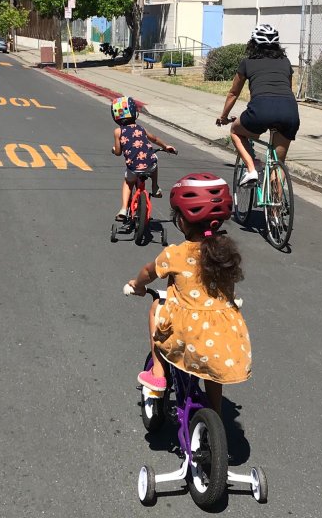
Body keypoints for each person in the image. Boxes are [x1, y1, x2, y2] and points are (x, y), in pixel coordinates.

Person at [125, 173, 251, 415]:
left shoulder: (175, 253)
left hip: (187, 333)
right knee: (212, 372)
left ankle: (159, 373)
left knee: (156, 309)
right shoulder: (226, 253)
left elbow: (147, 272)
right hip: (223, 334)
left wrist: (138, 285)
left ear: (181, 221)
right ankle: (215, 412)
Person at [216, 23, 300, 186]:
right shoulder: (285, 62)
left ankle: (252, 168)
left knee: (235, 131)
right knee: (279, 164)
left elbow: (233, 93)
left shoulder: (247, 62)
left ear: (253, 44)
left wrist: (224, 117)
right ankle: (276, 208)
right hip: (289, 111)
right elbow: (287, 90)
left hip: (261, 110)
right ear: (277, 45)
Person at [110, 95, 176, 222]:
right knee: (154, 158)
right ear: (135, 113)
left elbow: (118, 152)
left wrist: (114, 149)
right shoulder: (141, 128)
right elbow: (155, 139)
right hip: (149, 166)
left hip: (133, 168)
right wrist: (166, 146)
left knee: (128, 183)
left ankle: (123, 209)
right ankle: (155, 187)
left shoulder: (118, 132)